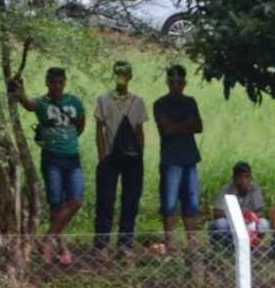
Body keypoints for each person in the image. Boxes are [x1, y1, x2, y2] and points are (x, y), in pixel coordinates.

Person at [10, 66, 85, 263]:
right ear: (47, 83)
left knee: (76, 200)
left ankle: (46, 238)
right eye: (53, 82)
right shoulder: (42, 103)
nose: (57, 86)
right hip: (51, 158)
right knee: (56, 203)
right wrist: (18, 87)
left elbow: (80, 125)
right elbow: (27, 103)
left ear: (65, 82)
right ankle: (61, 248)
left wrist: (67, 139)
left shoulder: (74, 102)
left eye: (60, 82)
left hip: (72, 157)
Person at [92, 60, 149, 253]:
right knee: (105, 201)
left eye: (124, 74)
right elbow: (99, 129)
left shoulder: (138, 102)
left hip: (132, 159)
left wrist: (140, 156)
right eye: (118, 73)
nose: (121, 77)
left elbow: (140, 131)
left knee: (130, 201)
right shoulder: (104, 100)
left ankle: (125, 243)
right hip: (109, 156)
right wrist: (102, 156)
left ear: (130, 76)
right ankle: (101, 245)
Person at [152, 65, 205, 247]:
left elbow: (199, 126)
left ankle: (192, 241)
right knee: (169, 202)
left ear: (184, 83)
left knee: (191, 201)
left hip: (189, 158)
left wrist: (176, 126)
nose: (176, 86)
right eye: (173, 82)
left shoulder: (190, 102)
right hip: (171, 159)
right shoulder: (160, 104)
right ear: (168, 82)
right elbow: (167, 129)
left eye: (180, 82)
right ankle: (170, 241)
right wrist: (186, 123)